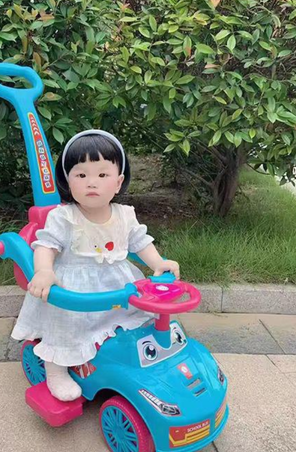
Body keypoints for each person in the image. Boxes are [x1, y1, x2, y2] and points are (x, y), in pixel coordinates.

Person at [11, 130, 180, 401]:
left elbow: (140, 242)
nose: (92, 182)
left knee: (139, 316)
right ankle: (56, 370)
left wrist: (158, 263)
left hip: (117, 286)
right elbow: (46, 246)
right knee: (66, 325)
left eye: (102, 174)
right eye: (81, 175)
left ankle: (119, 357)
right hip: (75, 291)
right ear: (67, 181)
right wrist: (44, 271)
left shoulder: (125, 215)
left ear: (118, 182)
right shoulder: (63, 217)